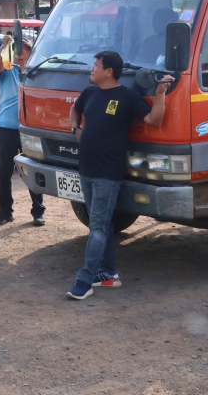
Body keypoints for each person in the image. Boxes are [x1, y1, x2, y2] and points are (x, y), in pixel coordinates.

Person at [66, 51, 171, 300]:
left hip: (107, 173)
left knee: (98, 227)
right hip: (87, 169)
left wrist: (159, 95)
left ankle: (85, 279)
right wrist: (75, 128)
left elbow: (154, 120)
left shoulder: (126, 96)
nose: (91, 69)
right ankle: (109, 273)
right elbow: (74, 110)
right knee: (101, 223)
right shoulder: (89, 93)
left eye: (96, 65)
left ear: (109, 71)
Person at [0, 34, 44, 226]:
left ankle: (38, 211)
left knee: (33, 171)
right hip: (7, 128)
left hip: (30, 129)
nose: (20, 51)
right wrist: (4, 46)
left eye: (24, 48)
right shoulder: (7, 70)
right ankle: (5, 211)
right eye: (17, 49)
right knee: (3, 172)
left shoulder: (37, 74)